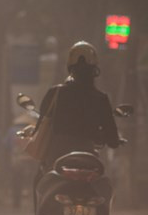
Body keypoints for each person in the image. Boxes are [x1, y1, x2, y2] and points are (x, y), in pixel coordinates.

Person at [35, 40, 120, 171]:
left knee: (40, 178)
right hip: (88, 160)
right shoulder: (101, 98)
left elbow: (40, 125)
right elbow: (113, 141)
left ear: (70, 67)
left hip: (56, 158)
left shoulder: (55, 93)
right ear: (94, 69)